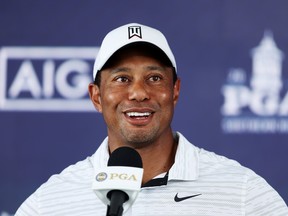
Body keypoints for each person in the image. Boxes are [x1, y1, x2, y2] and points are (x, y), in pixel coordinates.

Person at [15, 23, 287, 216]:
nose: (138, 92)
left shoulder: (242, 192)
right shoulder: (48, 203)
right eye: (122, 79)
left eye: (154, 78)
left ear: (175, 91)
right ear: (96, 96)